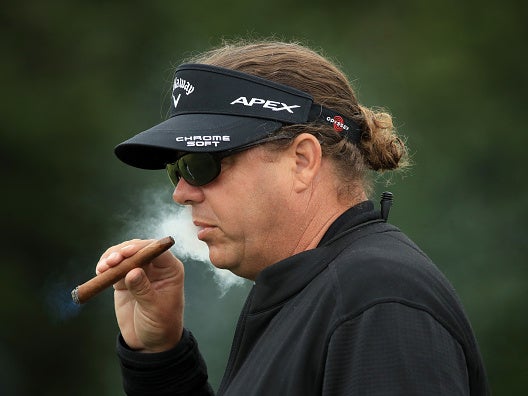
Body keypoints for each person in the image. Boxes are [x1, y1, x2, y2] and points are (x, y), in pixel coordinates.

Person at [96, 40, 490, 395]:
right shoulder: (320, 291)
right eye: (176, 169)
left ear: (302, 161)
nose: (181, 192)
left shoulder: (377, 300)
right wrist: (160, 357)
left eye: (201, 163)